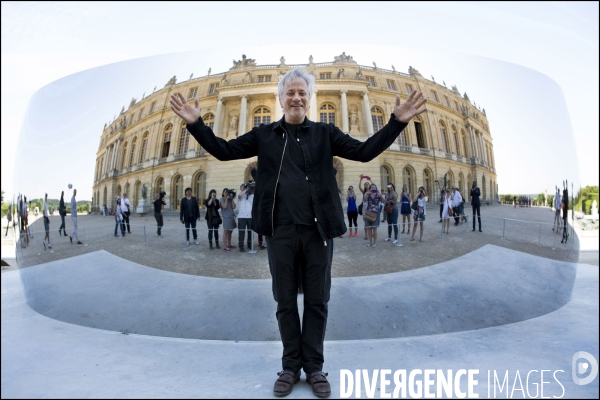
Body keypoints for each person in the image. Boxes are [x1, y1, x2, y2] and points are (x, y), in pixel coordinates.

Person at [170, 67, 427, 397]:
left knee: (318, 301)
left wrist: (397, 123)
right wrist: (196, 124)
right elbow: (223, 150)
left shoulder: (325, 133)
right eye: (289, 92)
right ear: (281, 98)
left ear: (309, 98)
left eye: (302, 92)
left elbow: (364, 152)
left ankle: (315, 367)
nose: (296, 97)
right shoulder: (263, 136)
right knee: (285, 301)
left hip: (318, 232)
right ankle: (291, 366)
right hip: (280, 232)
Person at [237, 174, 254, 252]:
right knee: (241, 232)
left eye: (245, 186)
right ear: (241, 188)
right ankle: (241, 246)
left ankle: (250, 245)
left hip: (250, 216)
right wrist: (246, 189)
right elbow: (240, 195)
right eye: (243, 186)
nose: (244, 187)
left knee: (250, 232)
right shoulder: (240, 195)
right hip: (241, 216)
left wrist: (250, 189)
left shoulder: (252, 196)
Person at [358, 176, 372, 240]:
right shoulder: (364, 192)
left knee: (370, 222)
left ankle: (370, 234)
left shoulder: (372, 191)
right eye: (365, 184)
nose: (366, 185)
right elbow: (359, 187)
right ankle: (366, 235)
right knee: (365, 222)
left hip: (370, 208)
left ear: (369, 185)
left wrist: (370, 180)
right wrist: (360, 180)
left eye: (367, 184)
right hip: (364, 209)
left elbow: (375, 187)